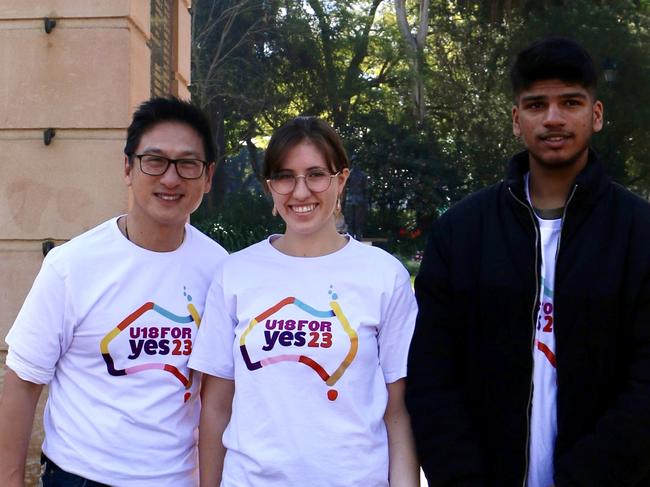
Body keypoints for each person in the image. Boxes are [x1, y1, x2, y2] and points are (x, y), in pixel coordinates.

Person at [406, 37, 650, 487]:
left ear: (595, 115)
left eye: (570, 102)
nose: (553, 118)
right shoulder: (461, 234)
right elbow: (432, 379)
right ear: (517, 120)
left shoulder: (639, 233)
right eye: (536, 105)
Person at [0, 97, 228, 486]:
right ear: (128, 167)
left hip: (174, 479)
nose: (170, 179)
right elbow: (23, 383)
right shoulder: (71, 265)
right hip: (79, 477)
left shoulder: (220, 270)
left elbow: (219, 396)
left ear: (207, 177)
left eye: (187, 164)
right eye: (154, 160)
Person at [189, 116, 419, 486]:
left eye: (315, 174)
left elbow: (397, 412)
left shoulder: (383, 275)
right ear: (270, 187)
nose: (300, 192)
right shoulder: (235, 273)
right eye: (285, 176)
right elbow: (215, 408)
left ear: (340, 179)